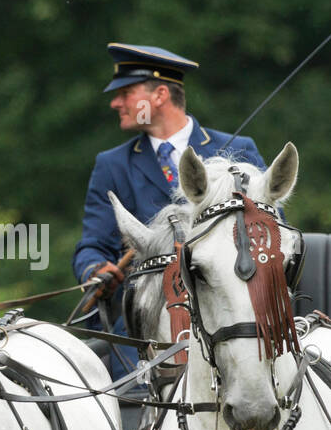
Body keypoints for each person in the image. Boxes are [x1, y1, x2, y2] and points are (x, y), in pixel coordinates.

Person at [73, 43, 267, 378]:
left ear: (160, 94)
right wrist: (94, 268)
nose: (115, 102)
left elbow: (267, 235)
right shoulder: (112, 165)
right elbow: (92, 244)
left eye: (126, 93)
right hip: (142, 331)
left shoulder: (238, 150)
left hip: (230, 322)